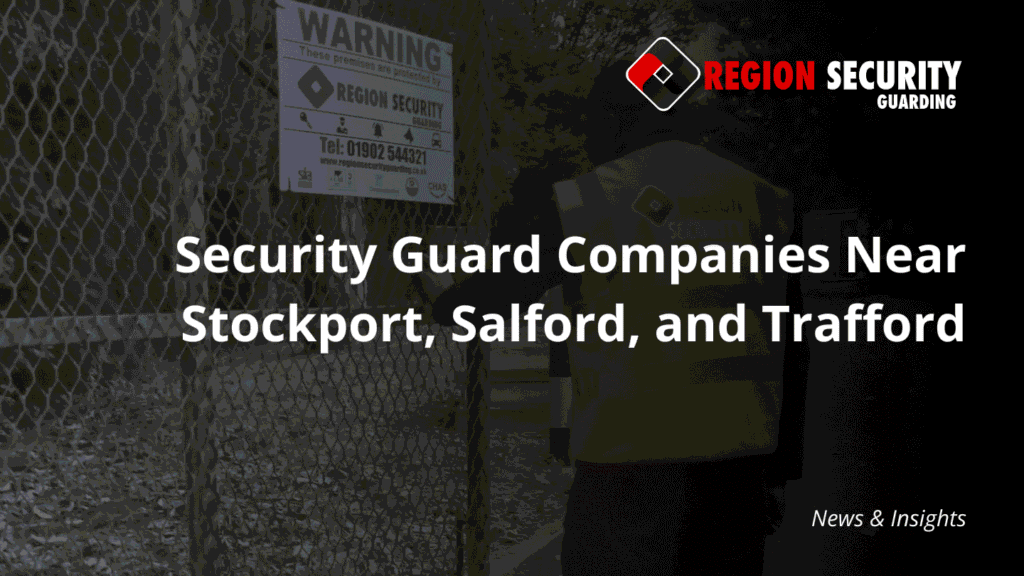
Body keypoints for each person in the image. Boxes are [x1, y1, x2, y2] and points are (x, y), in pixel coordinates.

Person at [415, 60, 802, 575]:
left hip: (628, 472)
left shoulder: (592, 200)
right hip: (735, 475)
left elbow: (505, 291)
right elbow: (792, 343)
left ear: (615, 123)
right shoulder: (765, 202)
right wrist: (778, 472)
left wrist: (441, 297)